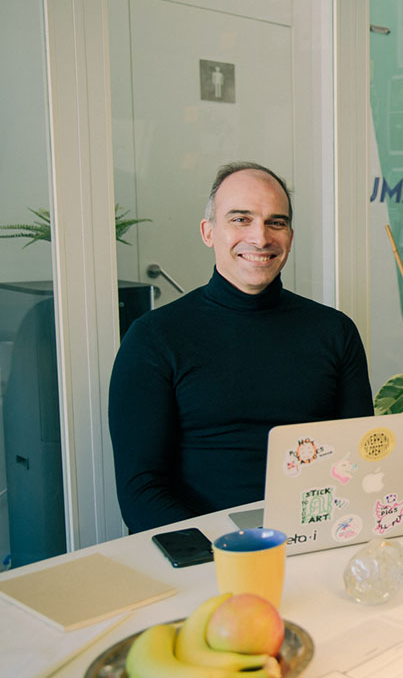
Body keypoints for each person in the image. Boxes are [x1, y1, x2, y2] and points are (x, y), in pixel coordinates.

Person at [110, 162, 374, 533]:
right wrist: (228, 553)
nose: (260, 237)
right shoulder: (154, 338)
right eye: (240, 219)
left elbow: (359, 460)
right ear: (208, 232)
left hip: (316, 538)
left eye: (275, 223)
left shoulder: (334, 331)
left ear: (290, 236)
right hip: (205, 554)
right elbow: (141, 491)